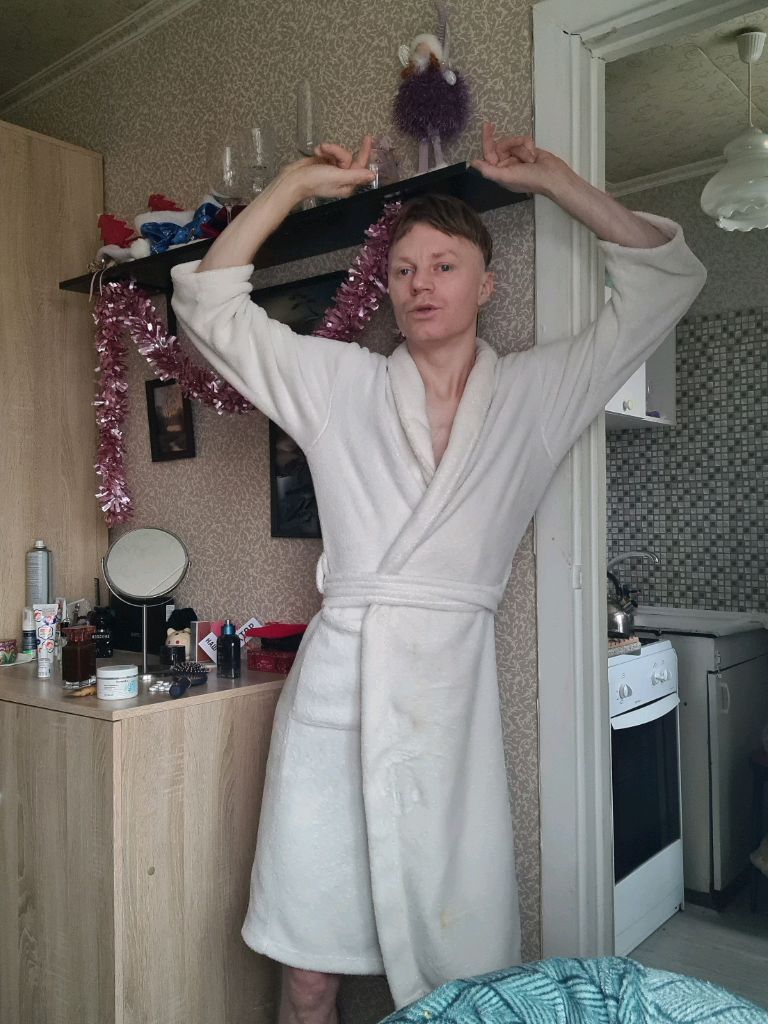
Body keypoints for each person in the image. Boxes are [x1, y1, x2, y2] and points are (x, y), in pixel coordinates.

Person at [170, 125, 706, 1024]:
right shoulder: (340, 385)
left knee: (461, 973)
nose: (420, 284)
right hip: (338, 694)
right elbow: (209, 307)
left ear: (486, 285)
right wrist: (293, 187)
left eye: (444, 266)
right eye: (403, 270)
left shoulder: (536, 396)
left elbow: (665, 282)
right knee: (309, 969)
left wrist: (557, 181)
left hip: (449, 710)